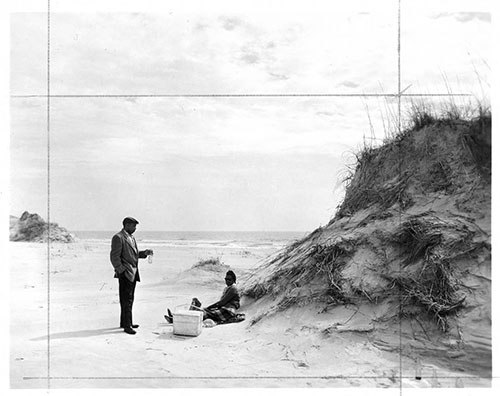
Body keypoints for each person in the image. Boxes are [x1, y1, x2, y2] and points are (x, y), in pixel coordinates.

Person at [110, 217, 153, 335]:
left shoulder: (131, 238)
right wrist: (121, 270)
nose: (135, 229)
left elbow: (132, 255)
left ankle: (126, 322)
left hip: (133, 273)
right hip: (125, 273)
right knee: (126, 300)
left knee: (129, 299)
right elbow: (114, 256)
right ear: (127, 225)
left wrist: (144, 253)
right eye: (133, 226)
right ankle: (127, 325)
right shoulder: (118, 237)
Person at [164, 270, 243, 325]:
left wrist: (209, 307)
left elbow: (222, 303)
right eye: (226, 279)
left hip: (227, 311)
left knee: (202, 313)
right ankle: (175, 317)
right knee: (200, 310)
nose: (227, 281)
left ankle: (175, 319)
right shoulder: (229, 288)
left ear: (233, 280)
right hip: (224, 309)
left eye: (229, 279)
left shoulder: (233, 289)